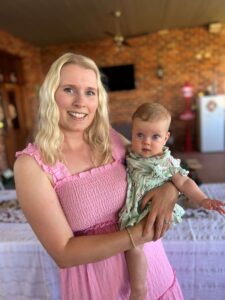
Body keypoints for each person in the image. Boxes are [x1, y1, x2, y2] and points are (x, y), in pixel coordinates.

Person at [14, 53, 184, 300]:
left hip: (155, 273)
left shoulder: (109, 137)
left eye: (90, 92)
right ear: (50, 94)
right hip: (98, 288)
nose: (80, 102)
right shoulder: (31, 165)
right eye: (69, 89)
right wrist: (137, 235)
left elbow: (157, 166)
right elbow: (63, 253)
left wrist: (170, 189)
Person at [119, 102, 225, 300]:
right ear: (132, 132)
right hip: (134, 206)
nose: (146, 142)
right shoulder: (130, 153)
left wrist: (203, 200)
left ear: (166, 138)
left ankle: (139, 290)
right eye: (139, 135)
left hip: (148, 212)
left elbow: (184, 182)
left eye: (155, 137)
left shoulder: (165, 162)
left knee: (134, 248)